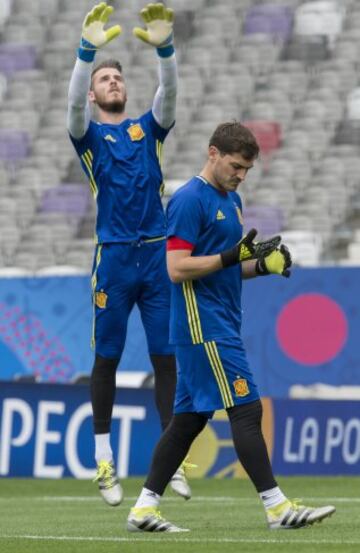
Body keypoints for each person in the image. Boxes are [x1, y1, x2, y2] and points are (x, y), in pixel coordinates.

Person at [126, 122, 336, 532]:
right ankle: (276, 508)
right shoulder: (188, 200)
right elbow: (175, 268)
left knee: (188, 420)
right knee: (246, 408)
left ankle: (143, 509)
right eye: (236, 166)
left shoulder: (232, 199)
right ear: (213, 153)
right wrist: (228, 257)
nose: (241, 175)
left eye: (247, 170)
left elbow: (225, 266)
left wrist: (260, 266)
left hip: (219, 321)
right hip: (202, 325)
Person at [67, 2, 191, 506]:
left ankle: (171, 460)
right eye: (105, 79)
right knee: (107, 360)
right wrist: (85, 54)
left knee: (167, 359)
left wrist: (165, 49)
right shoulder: (89, 136)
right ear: (95, 93)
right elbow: (72, 108)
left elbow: (173, 96)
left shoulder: (148, 131)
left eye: (117, 76)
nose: (113, 82)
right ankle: (104, 461)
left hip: (156, 258)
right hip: (114, 259)